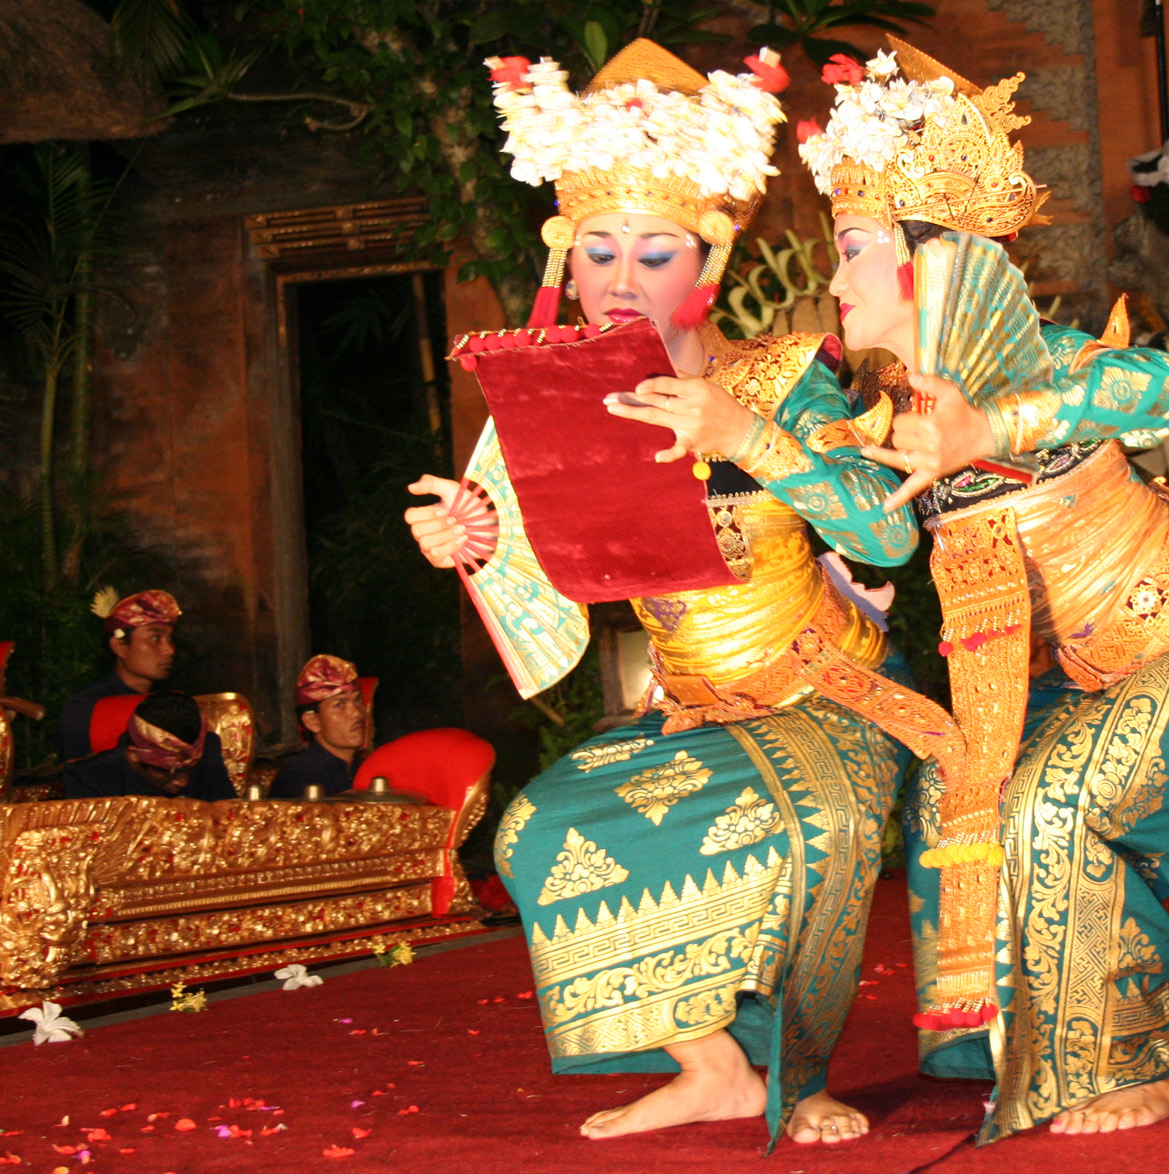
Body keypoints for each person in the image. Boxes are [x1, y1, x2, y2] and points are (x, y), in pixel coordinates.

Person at [406, 39, 966, 1149]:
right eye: (599, 252)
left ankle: (795, 1079)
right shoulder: (566, 402)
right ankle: (712, 1067)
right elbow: (548, 578)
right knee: (535, 829)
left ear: (704, 258)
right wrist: (468, 539)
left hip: (833, 690)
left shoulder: (784, 375)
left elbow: (886, 532)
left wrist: (747, 435)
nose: (619, 279)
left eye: (653, 253)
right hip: (696, 701)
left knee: (810, 824)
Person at [797, 40, 1169, 1143]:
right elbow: (875, 537)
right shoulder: (871, 409)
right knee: (970, 792)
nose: (838, 277)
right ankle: (1006, 1031)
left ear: (930, 262)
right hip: (1082, 671)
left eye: (855, 249)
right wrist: (761, 447)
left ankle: (1144, 1060)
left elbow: (1158, 387)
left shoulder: (1031, 356)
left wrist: (993, 427)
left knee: (1053, 803)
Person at [58, 587, 180, 762]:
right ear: (120, 646)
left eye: (170, 639)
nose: (169, 650)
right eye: (155, 638)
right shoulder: (87, 708)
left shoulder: (173, 702)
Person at [63, 691, 235, 801]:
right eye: (165, 772)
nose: (182, 783)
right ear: (133, 754)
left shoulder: (207, 752)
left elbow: (228, 815)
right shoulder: (90, 779)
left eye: (189, 770)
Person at [270, 654, 368, 799]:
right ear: (312, 721)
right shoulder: (300, 775)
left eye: (358, 700)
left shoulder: (366, 768)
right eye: (339, 705)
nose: (357, 713)